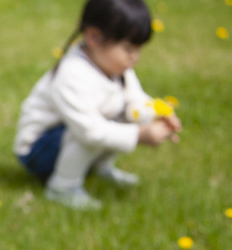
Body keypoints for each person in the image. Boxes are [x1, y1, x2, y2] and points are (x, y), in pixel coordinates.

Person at [13, 0, 182, 210]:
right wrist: (140, 134)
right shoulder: (72, 75)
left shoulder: (115, 67)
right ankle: (62, 187)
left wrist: (155, 116)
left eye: (138, 49)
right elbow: (89, 131)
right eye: (128, 48)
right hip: (39, 151)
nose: (135, 58)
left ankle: (98, 167)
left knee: (118, 117)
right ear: (94, 37)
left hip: (70, 137)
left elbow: (134, 100)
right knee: (95, 128)